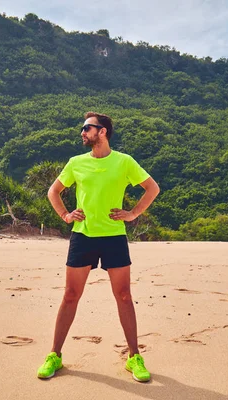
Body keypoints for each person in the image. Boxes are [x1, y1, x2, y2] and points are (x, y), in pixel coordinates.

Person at [37, 112, 160, 382]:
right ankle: (54, 355)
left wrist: (132, 214)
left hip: (114, 236)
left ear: (102, 132)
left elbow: (152, 188)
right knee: (70, 295)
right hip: (83, 236)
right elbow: (53, 191)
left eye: (87, 128)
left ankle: (134, 357)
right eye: (83, 128)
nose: (82, 132)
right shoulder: (75, 163)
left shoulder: (124, 162)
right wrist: (65, 216)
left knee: (124, 296)